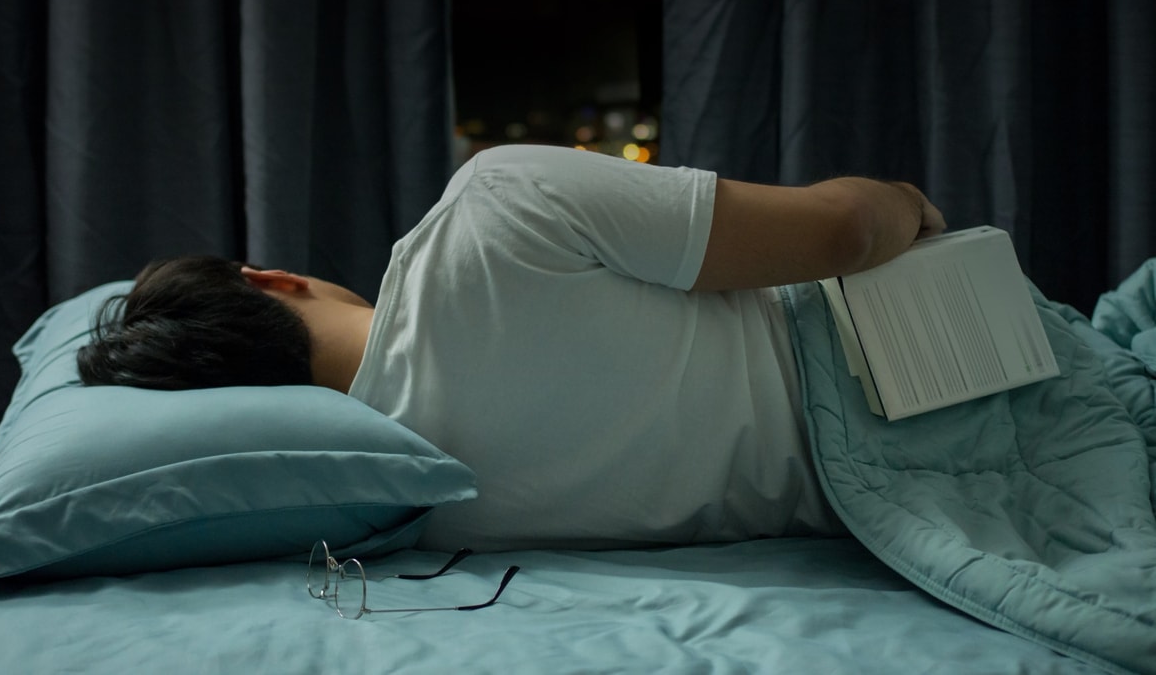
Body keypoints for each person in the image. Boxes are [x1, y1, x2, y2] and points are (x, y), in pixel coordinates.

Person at [79, 144, 945, 552]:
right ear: (267, 280)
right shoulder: (498, 208)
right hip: (928, 359)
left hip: (892, 513)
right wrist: (904, 198)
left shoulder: (409, 512)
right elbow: (841, 233)